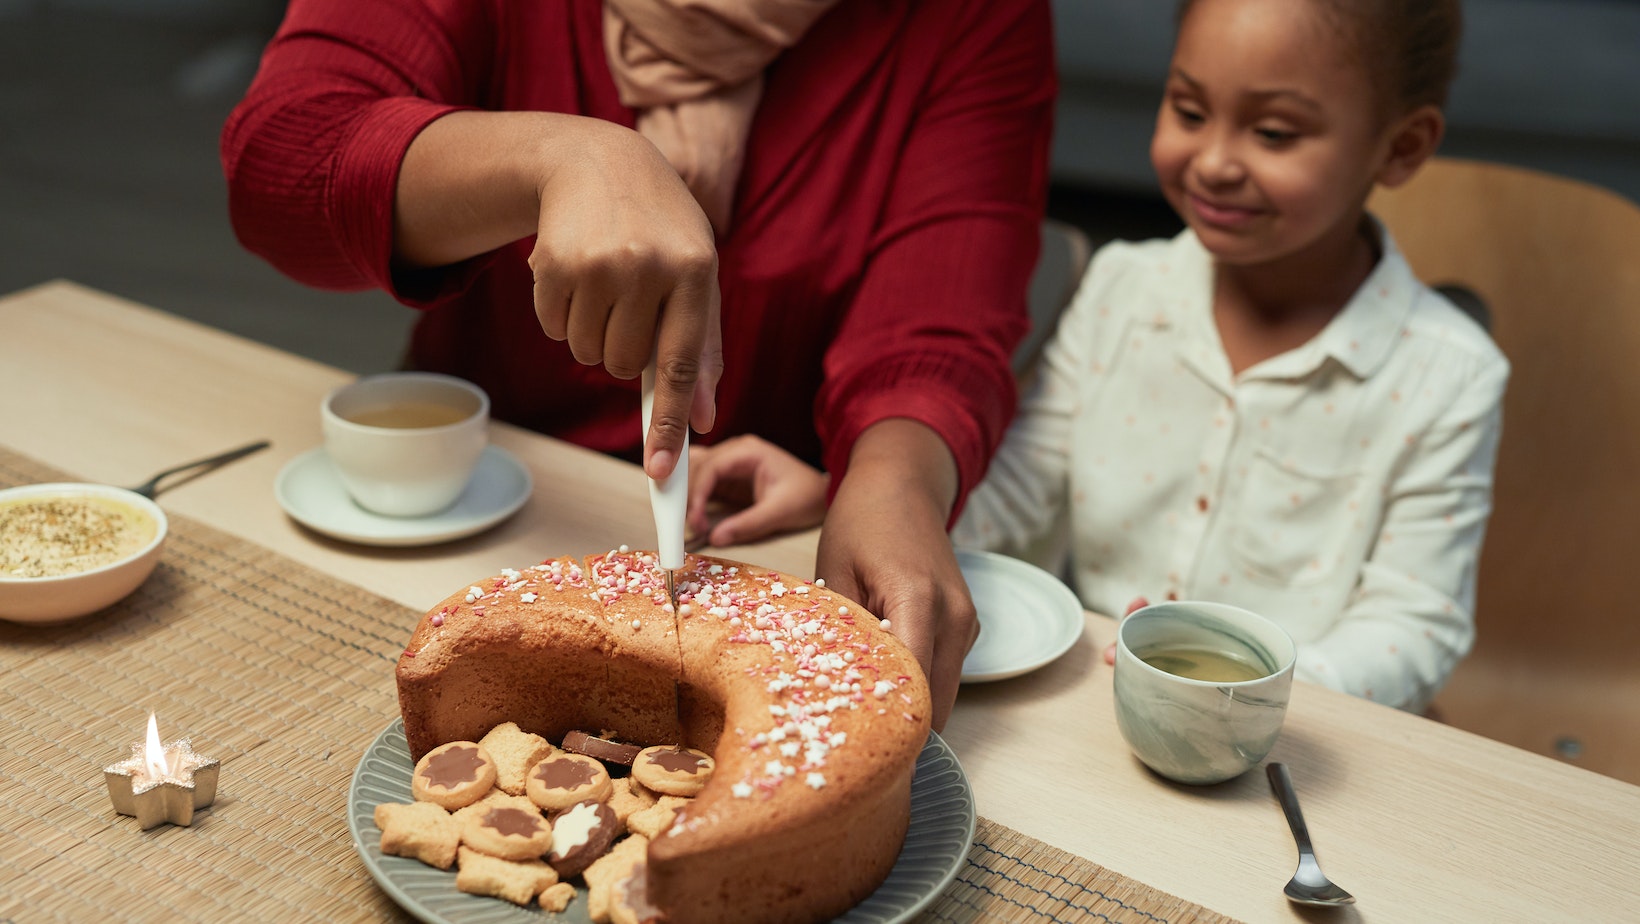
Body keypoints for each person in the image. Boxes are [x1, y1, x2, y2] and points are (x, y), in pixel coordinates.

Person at [220, 0, 1057, 730]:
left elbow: (942, 314)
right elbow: (283, 157)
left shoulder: (968, 16)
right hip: (479, 517)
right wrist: (553, 158)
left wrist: (896, 481)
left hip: (766, 539)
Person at [685, 0, 1507, 715]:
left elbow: (1415, 625)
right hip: (1101, 712)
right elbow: (1018, 494)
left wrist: (1249, 687)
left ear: (1400, 149)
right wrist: (858, 497)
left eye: (1274, 132)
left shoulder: (1451, 375)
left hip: (1303, 743)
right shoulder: (1122, 289)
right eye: (1189, 111)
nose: (1214, 160)